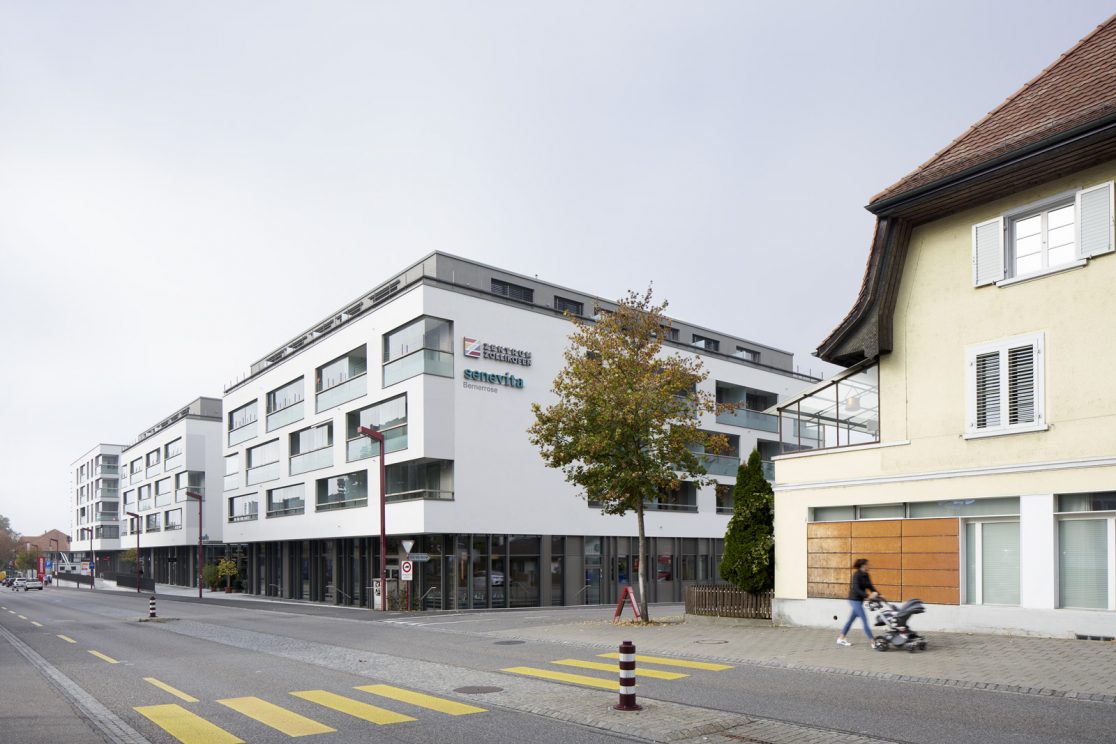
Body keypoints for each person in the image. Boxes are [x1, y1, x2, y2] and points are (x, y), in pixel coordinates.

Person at [837, 558, 878, 646]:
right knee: (864, 620)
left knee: (850, 620)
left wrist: (879, 594)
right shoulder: (856, 575)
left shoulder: (866, 575)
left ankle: (841, 638)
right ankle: (873, 642)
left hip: (859, 600)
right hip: (854, 600)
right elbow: (856, 589)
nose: (869, 566)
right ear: (863, 566)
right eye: (868, 564)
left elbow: (870, 587)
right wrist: (868, 596)